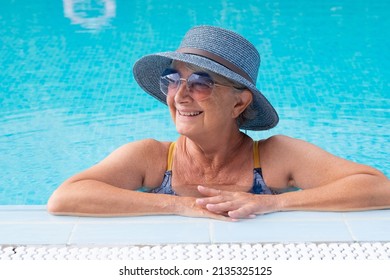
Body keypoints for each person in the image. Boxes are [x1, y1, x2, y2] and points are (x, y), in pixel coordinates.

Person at [47, 25, 390, 221]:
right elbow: (65, 198)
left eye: (199, 83)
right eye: (173, 80)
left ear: (239, 102)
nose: (179, 97)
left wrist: (272, 202)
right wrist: (181, 206)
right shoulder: (150, 158)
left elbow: (379, 187)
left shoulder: (275, 156)